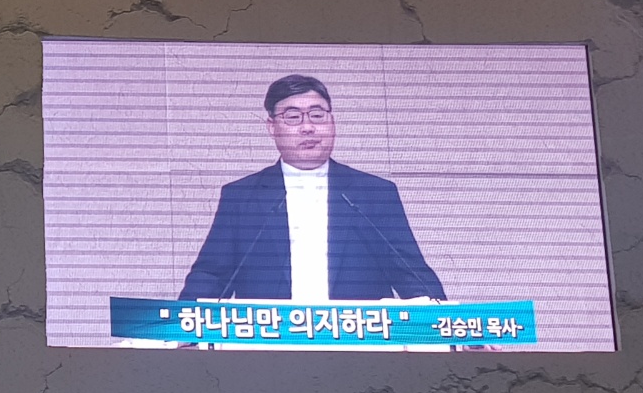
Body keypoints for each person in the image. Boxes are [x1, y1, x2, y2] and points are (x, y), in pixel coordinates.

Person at [178, 74, 445, 302]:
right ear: (272, 127)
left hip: (355, 339)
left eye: (317, 115)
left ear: (332, 122)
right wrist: (179, 327)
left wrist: (449, 325)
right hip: (270, 339)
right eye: (293, 117)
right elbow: (211, 275)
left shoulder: (373, 193)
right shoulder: (242, 196)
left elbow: (411, 273)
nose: (308, 127)